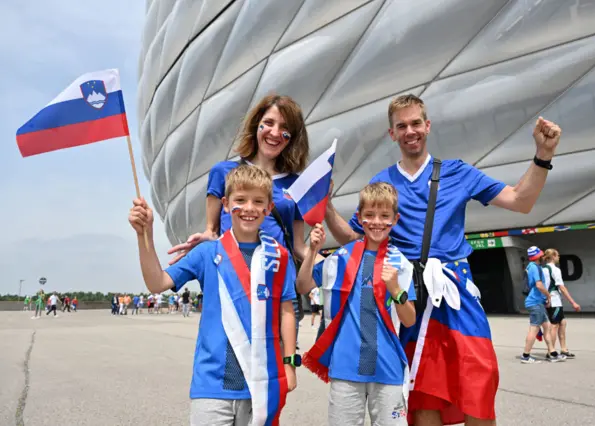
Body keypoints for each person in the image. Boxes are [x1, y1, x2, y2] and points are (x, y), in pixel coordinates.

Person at [322, 94, 562, 425]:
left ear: (427, 125)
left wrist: (543, 156)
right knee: (422, 394)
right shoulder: (381, 182)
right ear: (392, 134)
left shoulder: (457, 172)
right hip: (408, 298)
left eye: (416, 123)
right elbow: (354, 238)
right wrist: (328, 208)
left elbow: (520, 201)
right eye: (401, 126)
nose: (410, 131)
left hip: (455, 292)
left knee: (478, 382)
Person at [128, 164, 298, 425]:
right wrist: (144, 235)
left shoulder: (279, 257)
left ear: (268, 208)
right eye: (240, 200)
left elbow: (287, 311)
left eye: (258, 201)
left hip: (262, 383)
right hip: (212, 384)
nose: (249, 208)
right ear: (226, 205)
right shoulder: (207, 253)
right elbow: (157, 282)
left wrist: (289, 362)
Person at [166, 94, 317, 327]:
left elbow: (298, 246)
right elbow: (212, 229)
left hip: (278, 288)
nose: (275, 133)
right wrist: (204, 239)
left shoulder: (296, 185)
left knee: (280, 360)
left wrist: (332, 263)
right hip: (234, 282)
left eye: (285, 128)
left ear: (293, 137)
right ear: (257, 124)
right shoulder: (223, 172)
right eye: (268, 123)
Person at [299, 183, 417, 426]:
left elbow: (409, 319)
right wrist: (311, 251)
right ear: (359, 218)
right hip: (345, 367)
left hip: (387, 369)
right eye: (370, 215)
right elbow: (302, 286)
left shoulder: (400, 263)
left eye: (385, 216)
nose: (377, 222)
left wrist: (395, 290)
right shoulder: (340, 258)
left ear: (395, 219)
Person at [521, 246, 565, 364]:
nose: (543, 257)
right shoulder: (535, 267)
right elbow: (539, 285)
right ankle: (526, 355)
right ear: (537, 256)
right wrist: (548, 295)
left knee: (547, 327)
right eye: (541, 255)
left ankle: (552, 353)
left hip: (537, 302)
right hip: (535, 303)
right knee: (534, 329)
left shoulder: (532, 266)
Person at [543, 248, 581, 358]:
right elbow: (561, 287)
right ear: (553, 256)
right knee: (554, 326)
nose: (559, 257)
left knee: (563, 322)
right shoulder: (555, 270)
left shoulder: (543, 269)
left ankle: (563, 349)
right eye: (558, 255)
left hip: (549, 300)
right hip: (554, 300)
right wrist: (573, 302)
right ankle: (552, 351)